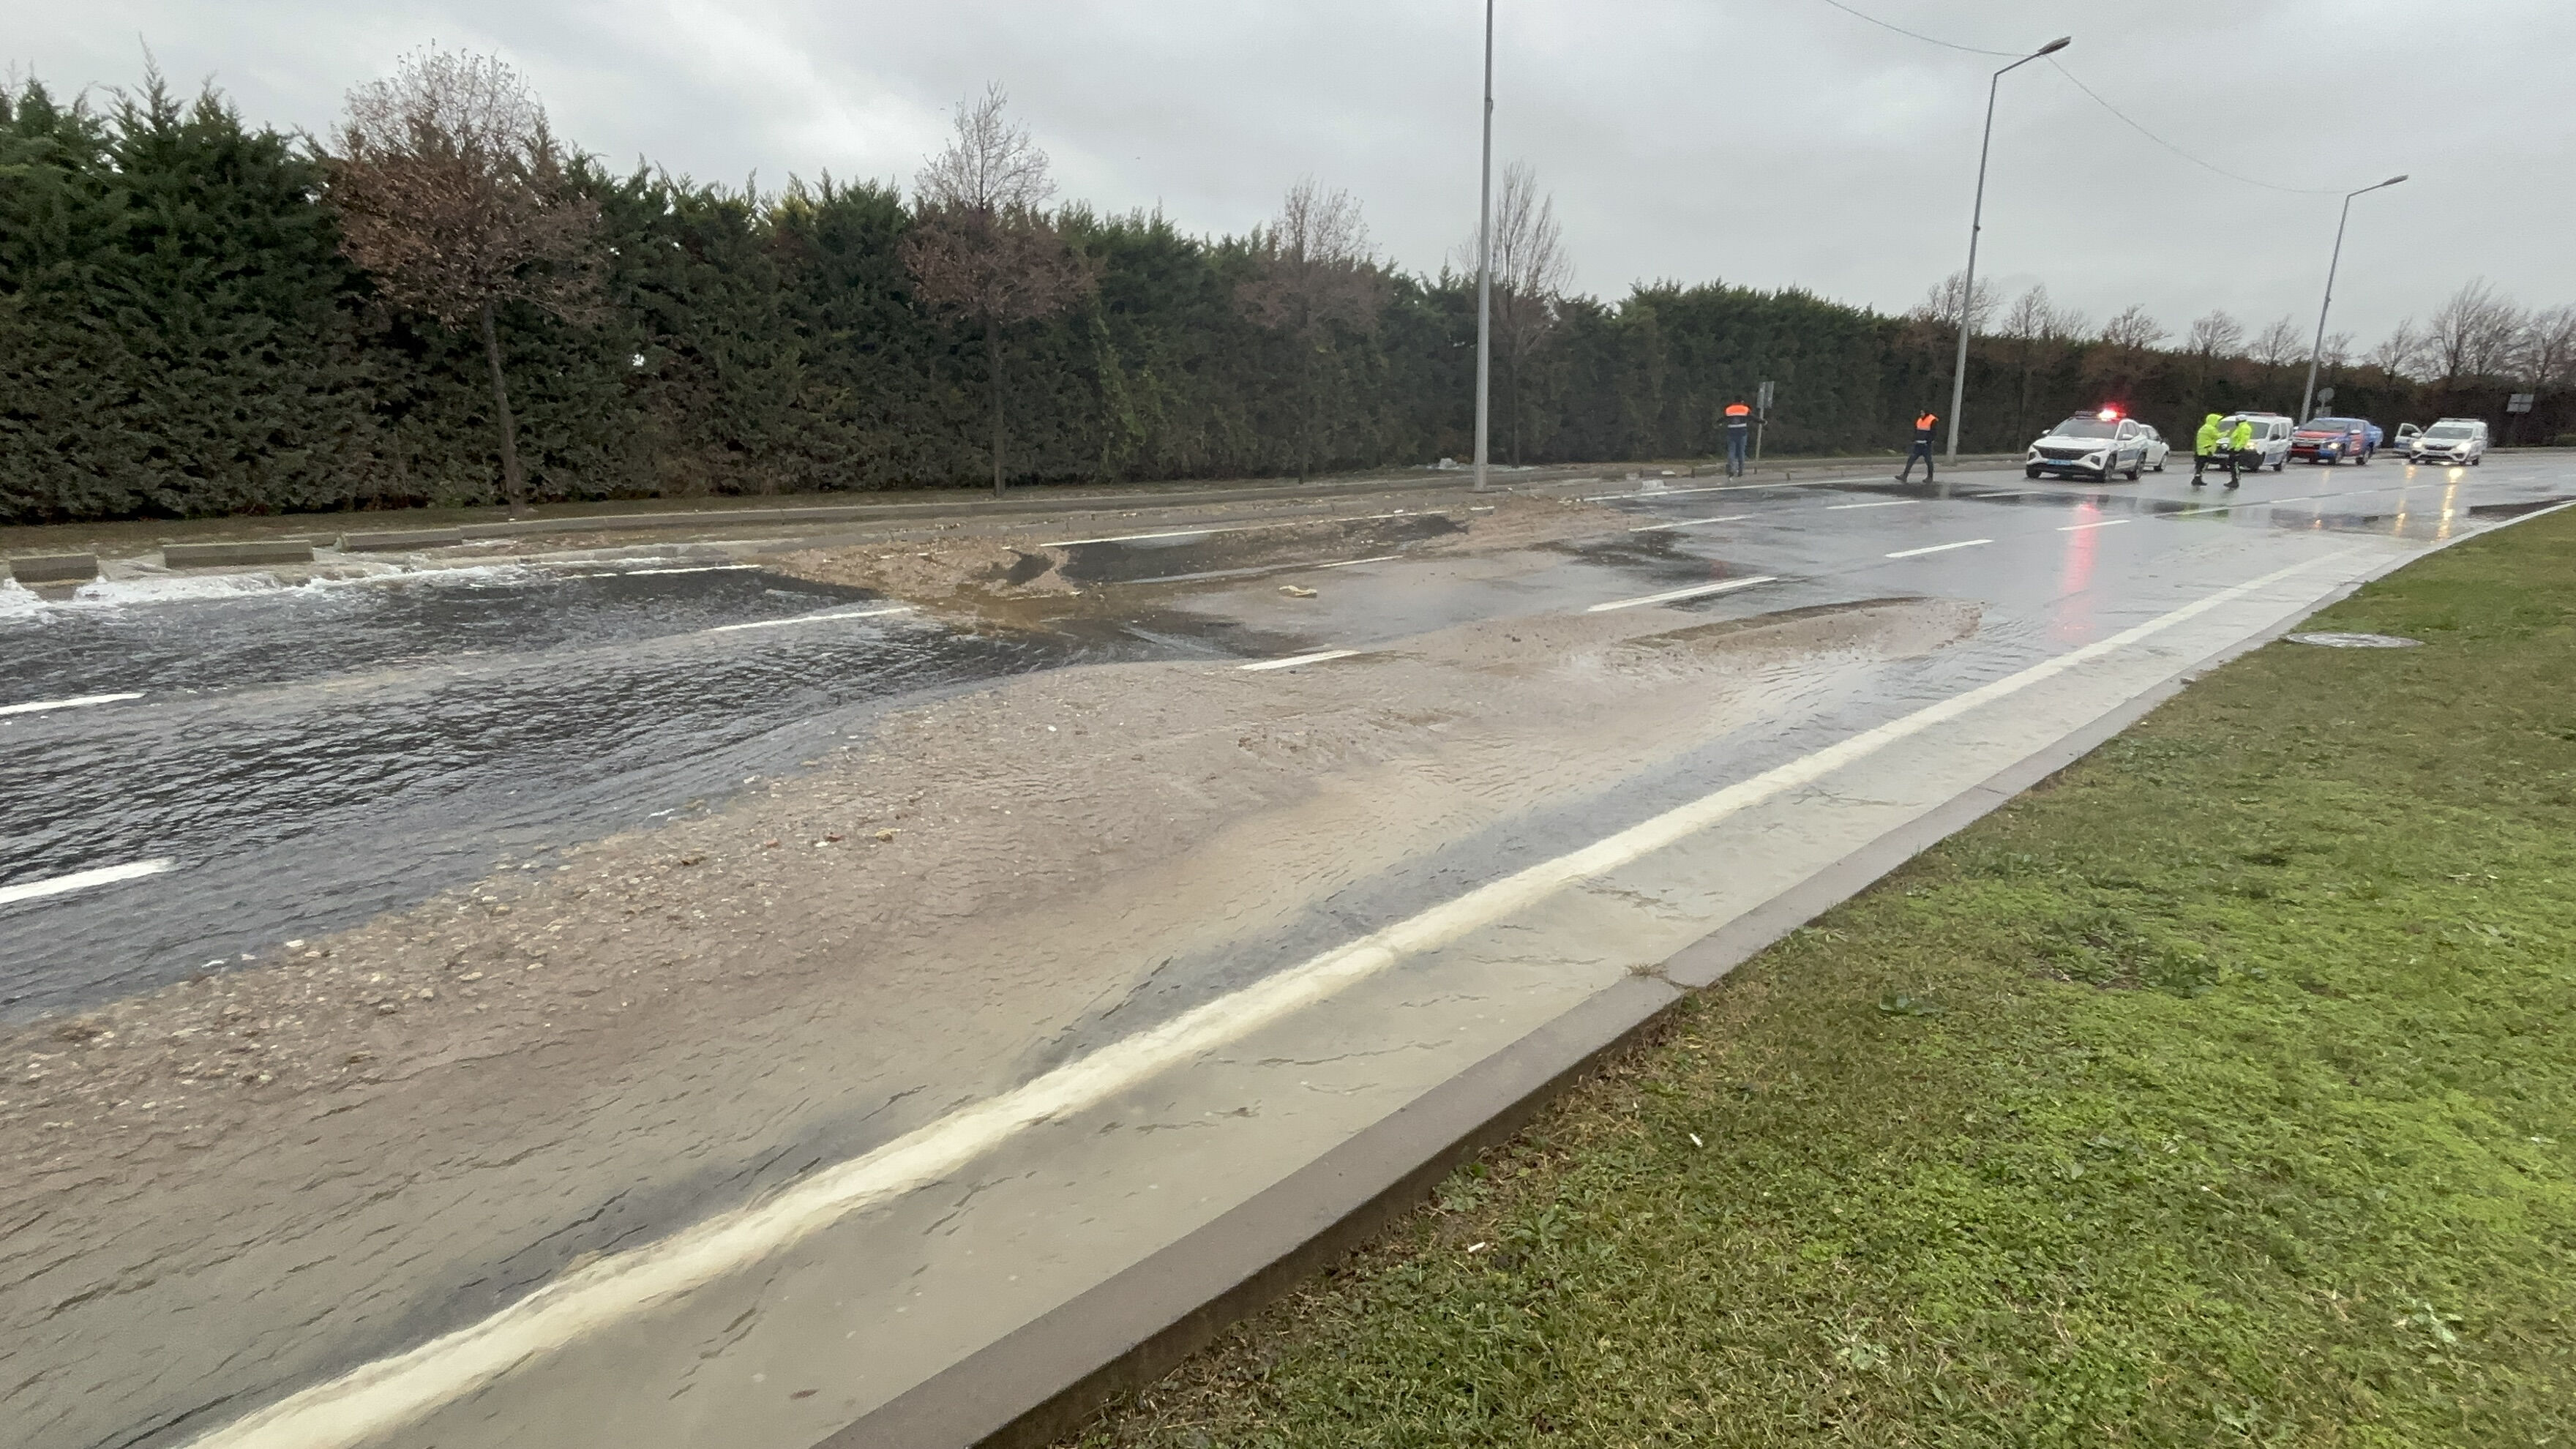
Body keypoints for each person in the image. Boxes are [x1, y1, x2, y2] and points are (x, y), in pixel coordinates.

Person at [1895, 408, 1938, 483]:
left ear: (1926, 413)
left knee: (1928, 461)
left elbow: (1933, 433)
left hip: (1926, 445)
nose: (1921, 414)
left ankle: (1930, 477)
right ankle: (1904, 476)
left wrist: (1928, 441)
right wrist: (1914, 439)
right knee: (1911, 459)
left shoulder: (1932, 420)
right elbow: (1916, 430)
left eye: (1922, 412)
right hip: (1918, 444)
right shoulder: (1920, 420)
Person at [2191, 412, 2223, 486]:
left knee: (2200, 465)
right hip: (2206, 450)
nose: (2218, 423)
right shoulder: (2210, 428)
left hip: (2202, 450)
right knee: (2201, 465)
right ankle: (2197, 479)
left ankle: (2197, 479)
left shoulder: (2205, 427)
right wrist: (2227, 433)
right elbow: (2217, 436)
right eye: (2217, 421)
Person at [1723, 400, 1752, 477]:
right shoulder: (1745, 409)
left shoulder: (1729, 409)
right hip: (1742, 433)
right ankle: (1740, 471)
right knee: (1741, 451)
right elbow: (1752, 417)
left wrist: (1718, 422)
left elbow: (1724, 418)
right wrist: (1762, 422)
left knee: (1731, 451)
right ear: (1742, 402)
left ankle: (1731, 469)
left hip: (1731, 433)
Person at [2224, 416, 2255, 487]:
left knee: (2235, 465)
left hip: (2238, 450)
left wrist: (2237, 448)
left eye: (2237, 420)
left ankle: (2236, 481)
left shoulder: (2245, 428)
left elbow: (2244, 439)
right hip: (2234, 449)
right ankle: (2233, 480)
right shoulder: (2240, 428)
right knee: (2231, 465)